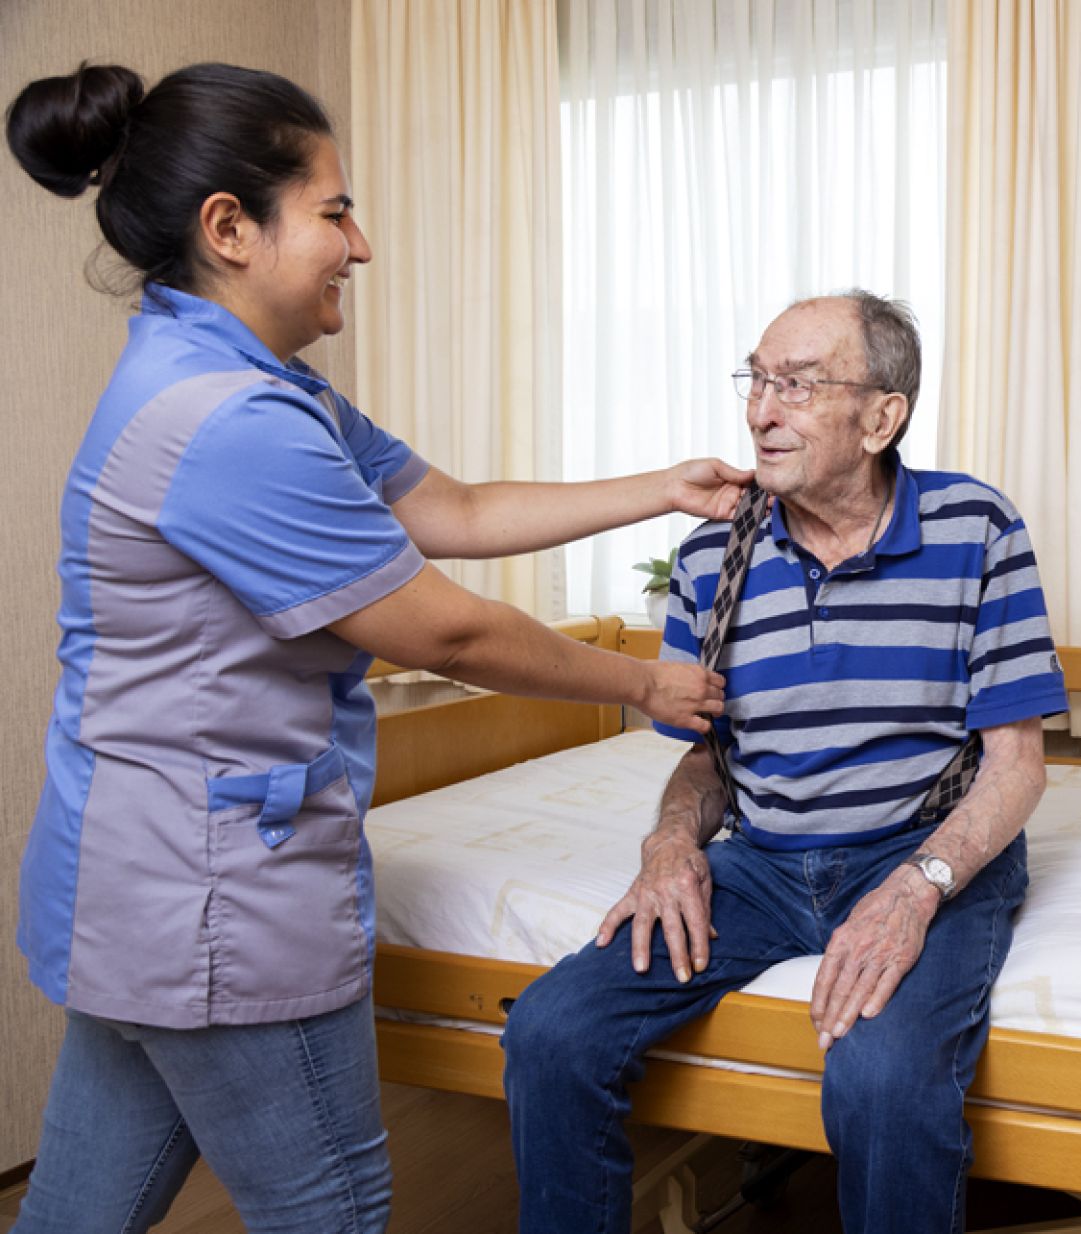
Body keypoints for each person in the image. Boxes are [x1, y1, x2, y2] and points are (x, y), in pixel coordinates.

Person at [6, 62, 748, 1233]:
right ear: (230, 228)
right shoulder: (231, 421)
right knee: (334, 1208)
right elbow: (446, 624)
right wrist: (645, 684)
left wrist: (661, 488)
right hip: (214, 897)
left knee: (81, 1211)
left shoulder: (252, 382)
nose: (361, 243)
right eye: (336, 210)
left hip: (136, 881)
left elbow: (452, 507)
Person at [502, 291, 1069, 1234]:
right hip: (763, 867)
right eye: (757, 380)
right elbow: (706, 761)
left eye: (799, 386)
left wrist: (915, 888)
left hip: (922, 853)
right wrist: (672, 845)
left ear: (882, 418)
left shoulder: (977, 529)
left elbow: (1017, 767)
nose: (762, 410)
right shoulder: (711, 554)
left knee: (881, 1076)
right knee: (552, 1031)